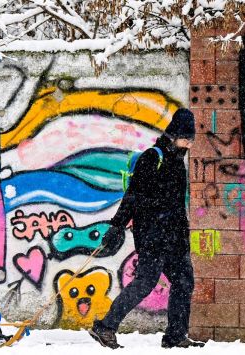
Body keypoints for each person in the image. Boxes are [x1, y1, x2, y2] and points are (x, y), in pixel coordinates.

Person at [88, 108, 204, 349]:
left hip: (174, 238)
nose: (190, 144)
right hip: (153, 236)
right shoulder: (153, 158)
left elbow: (177, 205)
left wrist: (183, 234)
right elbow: (133, 196)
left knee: (184, 281)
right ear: (174, 135)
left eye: (192, 140)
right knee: (145, 282)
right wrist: (116, 226)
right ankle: (106, 326)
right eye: (187, 139)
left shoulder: (178, 162)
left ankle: (175, 336)